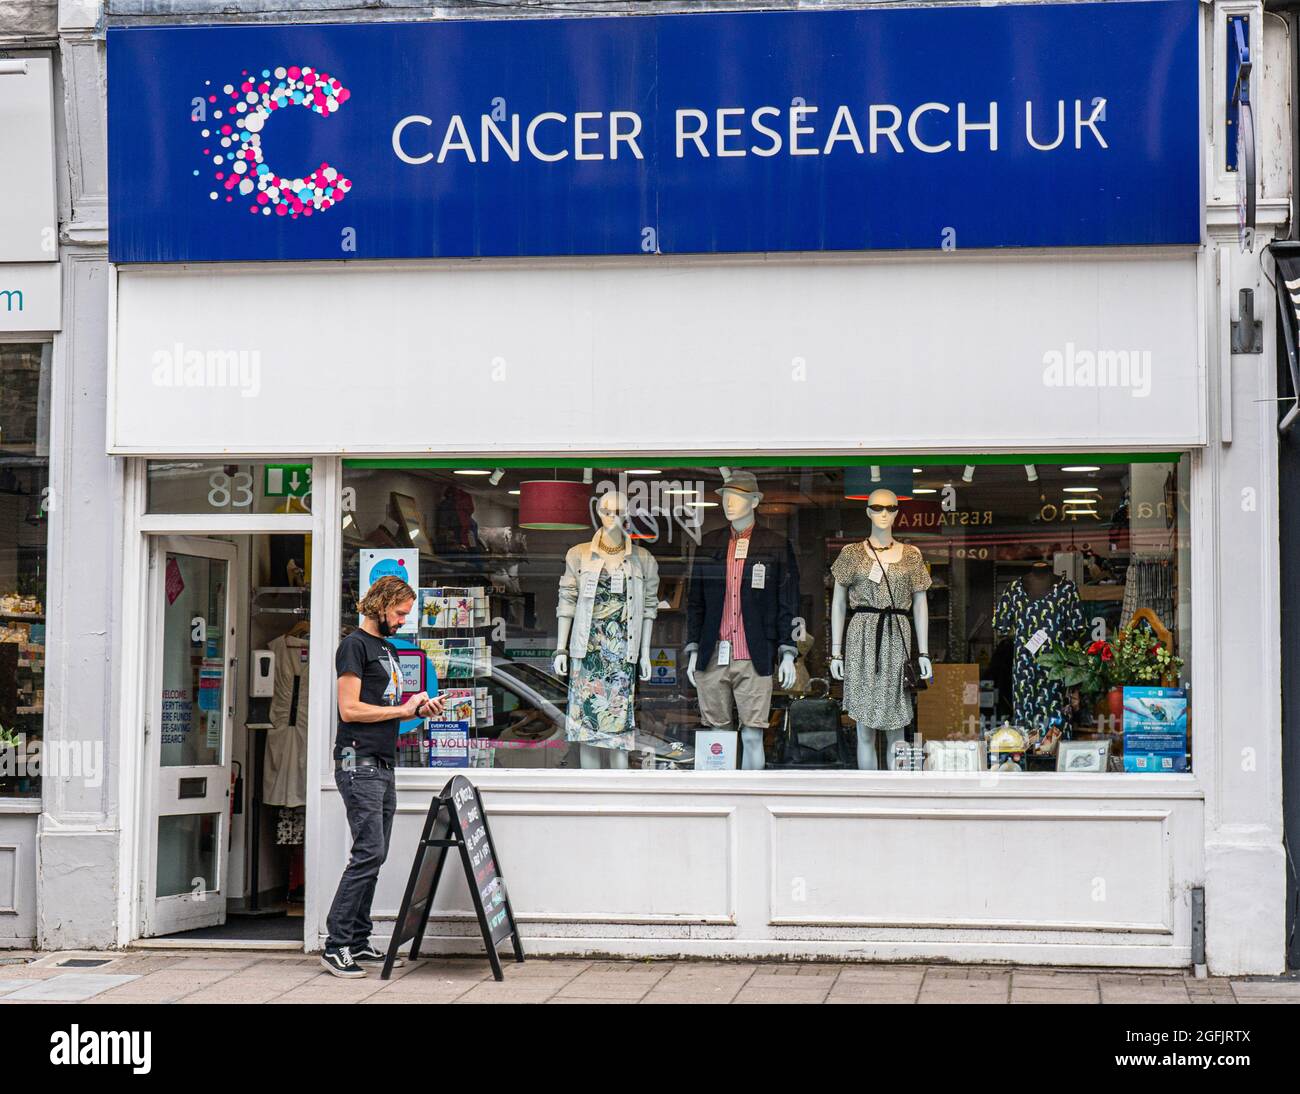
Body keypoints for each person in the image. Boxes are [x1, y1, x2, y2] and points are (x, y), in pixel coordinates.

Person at [321, 575, 444, 978]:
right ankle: (336, 943)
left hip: (381, 762)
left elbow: (388, 704)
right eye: (400, 612)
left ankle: (357, 938)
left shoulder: (387, 649)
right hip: (359, 763)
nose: (404, 621)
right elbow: (350, 710)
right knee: (368, 853)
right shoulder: (353, 647)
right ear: (380, 606)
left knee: (375, 853)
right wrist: (405, 711)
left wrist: (420, 709)